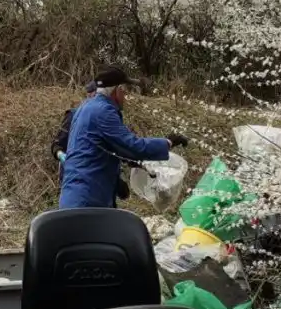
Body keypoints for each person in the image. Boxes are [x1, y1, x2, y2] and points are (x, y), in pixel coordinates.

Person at [58, 65, 187, 209]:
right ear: (117, 90)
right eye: (124, 91)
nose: (125, 96)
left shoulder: (86, 108)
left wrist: (135, 166)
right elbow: (131, 145)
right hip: (87, 199)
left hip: (79, 195)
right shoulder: (103, 111)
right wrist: (168, 142)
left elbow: (109, 148)